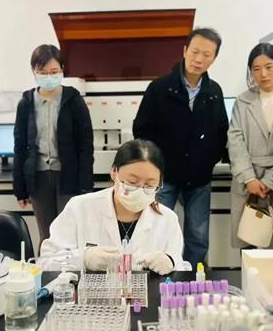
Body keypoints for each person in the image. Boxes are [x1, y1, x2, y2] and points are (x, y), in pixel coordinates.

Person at [133, 28, 229, 268]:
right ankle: (158, 274)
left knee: (198, 235)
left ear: (214, 58)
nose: (199, 59)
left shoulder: (214, 92)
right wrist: (156, 165)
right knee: (158, 230)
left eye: (207, 54)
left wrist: (208, 160)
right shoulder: (159, 88)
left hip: (199, 178)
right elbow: (141, 130)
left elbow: (221, 132)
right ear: (185, 51)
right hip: (164, 176)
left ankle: (193, 278)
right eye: (195, 52)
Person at [38, 139, 185, 274]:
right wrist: (83, 258)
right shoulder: (79, 208)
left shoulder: (167, 219)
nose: (140, 190)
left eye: (149, 185)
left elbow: (181, 270)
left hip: (146, 294)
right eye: (132, 182)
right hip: (90, 293)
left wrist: (171, 262)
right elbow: (45, 262)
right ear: (114, 172)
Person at [13, 44, 93, 245]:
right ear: (34, 71)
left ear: (62, 70)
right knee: (47, 236)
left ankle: (71, 267)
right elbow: (20, 145)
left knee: (69, 234)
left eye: (54, 71)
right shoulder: (26, 102)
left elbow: (85, 145)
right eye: (42, 72)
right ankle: (46, 267)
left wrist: (85, 185)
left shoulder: (73, 100)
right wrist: (20, 187)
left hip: (68, 176)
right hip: (38, 177)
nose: (48, 76)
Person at [228, 43, 273, 249]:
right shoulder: (243, 102)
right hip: (248, 182)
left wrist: (271, 180)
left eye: (269, 67)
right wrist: (249, 178)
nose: (263, 74)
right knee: (248, 242)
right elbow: (235, 138)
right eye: (256, 69)